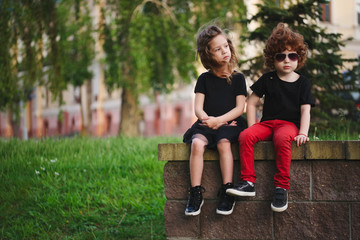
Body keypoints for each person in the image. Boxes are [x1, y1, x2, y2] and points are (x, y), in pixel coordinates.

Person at [226, 23, 315, 212]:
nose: (287, 60)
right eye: (281, 56)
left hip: (288, 126)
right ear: (272, 59)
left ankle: (281, 187)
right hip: (266, 124)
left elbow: (305, 110)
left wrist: (303, 132)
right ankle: (247, 182)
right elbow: (251, 102)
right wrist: (251, 126)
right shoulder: (268, 79)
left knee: (282, 139)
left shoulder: (303, 83)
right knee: (245, 136)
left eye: (292, 55)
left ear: (299, 57)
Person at [183, 25, 247, 216]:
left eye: (225, 46)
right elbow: (198, 107)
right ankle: (195, 193)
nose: (224, 52)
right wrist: (206, 119)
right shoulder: (204, 79)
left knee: (223, 143)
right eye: (217, 49)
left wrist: (219, 121)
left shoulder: (238, 79)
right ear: (208, 54)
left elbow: (239, 108)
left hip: (230, 123)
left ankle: (227, 191)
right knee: (196, 143)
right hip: (207, 123)